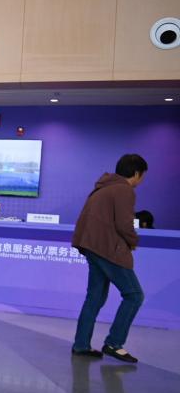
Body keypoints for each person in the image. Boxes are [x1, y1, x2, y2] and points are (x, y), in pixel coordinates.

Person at [71, 154, 147, 363]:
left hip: (92, 247)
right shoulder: (124, 190)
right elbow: (124, 224)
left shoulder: (102, 188)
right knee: (134, 295)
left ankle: (81, 345)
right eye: (142, 176)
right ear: (136, 173)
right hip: (109, 249)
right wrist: (133, 240)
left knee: (94, 298)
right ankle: (114, 343)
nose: (141, 181)